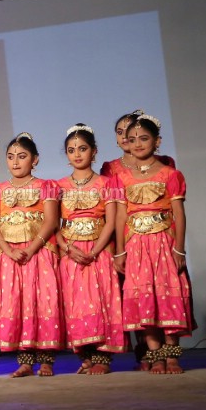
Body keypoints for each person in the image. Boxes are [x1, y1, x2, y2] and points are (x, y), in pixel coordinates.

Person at [113, 115, 193, 373]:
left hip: (163, 243)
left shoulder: (170, 174)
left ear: (157, 141)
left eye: (144, 138)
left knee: (167, 294)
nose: (137, 144)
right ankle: (154, 354)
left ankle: (172, 355)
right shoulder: (122, 177)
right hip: (136, 245)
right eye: (132, 139)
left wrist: (179, 248)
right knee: (144, 297)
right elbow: (121, 216)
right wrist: (119, 250)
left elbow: (178, 213)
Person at [0, 133, 63, 377]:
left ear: (35, 160)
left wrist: (30, 249)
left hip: (38, 254)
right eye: (10, 157)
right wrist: (8, 250)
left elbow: (51, 221)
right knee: (16, 303)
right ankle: (25, 361)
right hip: (10, 256)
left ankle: (47, 360)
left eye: (22, 157)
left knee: (42, 302)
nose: (15, 162)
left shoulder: (47, 186)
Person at [56, 125, 126, 375]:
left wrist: (97, 249)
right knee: (76, 304)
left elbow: (112, 221)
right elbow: (53, 224)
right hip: (71, 253)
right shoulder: (57, 186)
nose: (77, 154)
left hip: (100, 250)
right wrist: (66, 247)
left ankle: (103, 358)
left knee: (100, 301)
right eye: (71, 150)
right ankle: (85, 355)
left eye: (83, 149)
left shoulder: (109, 183)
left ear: (94, 152)